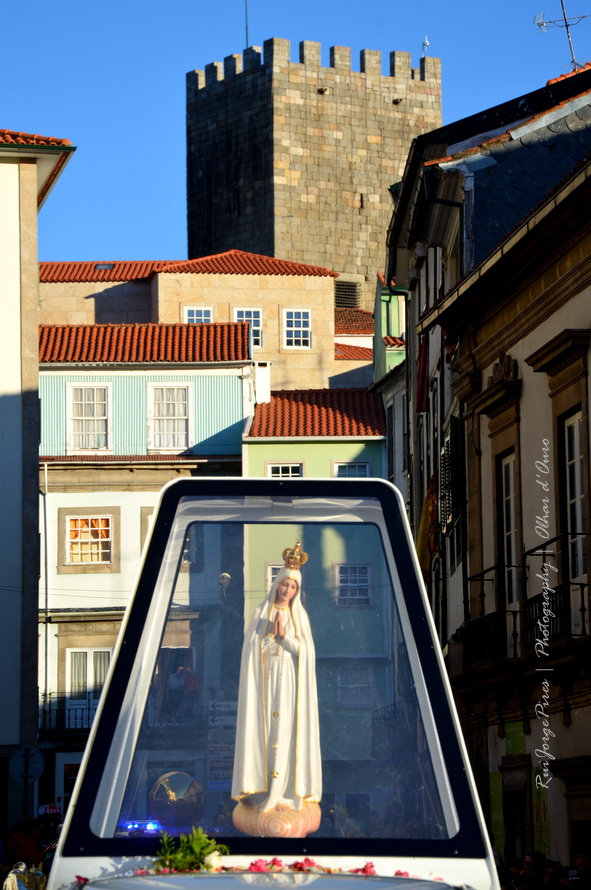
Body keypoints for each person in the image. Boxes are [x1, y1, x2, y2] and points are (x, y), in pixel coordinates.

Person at [231, 541, 321, 816]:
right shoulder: (261, 611)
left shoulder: (299, 615)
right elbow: (250, 648)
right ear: (277, 584)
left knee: (286, 731)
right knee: (265, 731)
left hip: (288, 681)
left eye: (293, 587)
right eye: (285, 584)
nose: (287, 590)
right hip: (264, 680)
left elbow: (305, 651)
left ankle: (284, 792)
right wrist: (268, 634)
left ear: (297, 590)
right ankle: (264, 791)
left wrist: (284, 636)